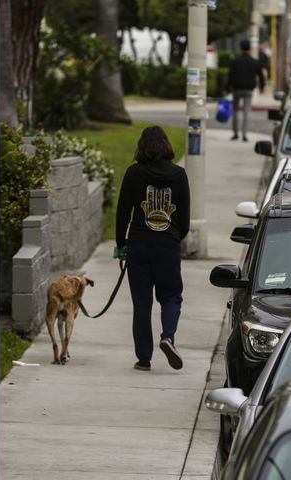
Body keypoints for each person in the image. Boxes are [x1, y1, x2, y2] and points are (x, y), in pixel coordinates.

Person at [115, 126, 190, 371]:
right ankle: (168, 336)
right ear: (166, 145)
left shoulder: (133, 173)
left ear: (142, 146)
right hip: (167, 245)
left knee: (141, 303)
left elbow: (123, 213)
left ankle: (144, 358)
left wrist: (121, 245)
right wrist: (175, 237)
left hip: (138, 245)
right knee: (171, 296)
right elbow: (185, 218)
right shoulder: (179, 175)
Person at [227, 39, 265, 142]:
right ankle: (244, 134)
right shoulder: (254, 62)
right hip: (249, 90)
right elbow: (261, 76)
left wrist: (227, 88)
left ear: (241, 48)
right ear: (249, 48)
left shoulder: (235, 61)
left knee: (235, 111)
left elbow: (230, 76)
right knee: (246, 112)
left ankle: (235, 133)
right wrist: (262, 87)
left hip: (237, 89)